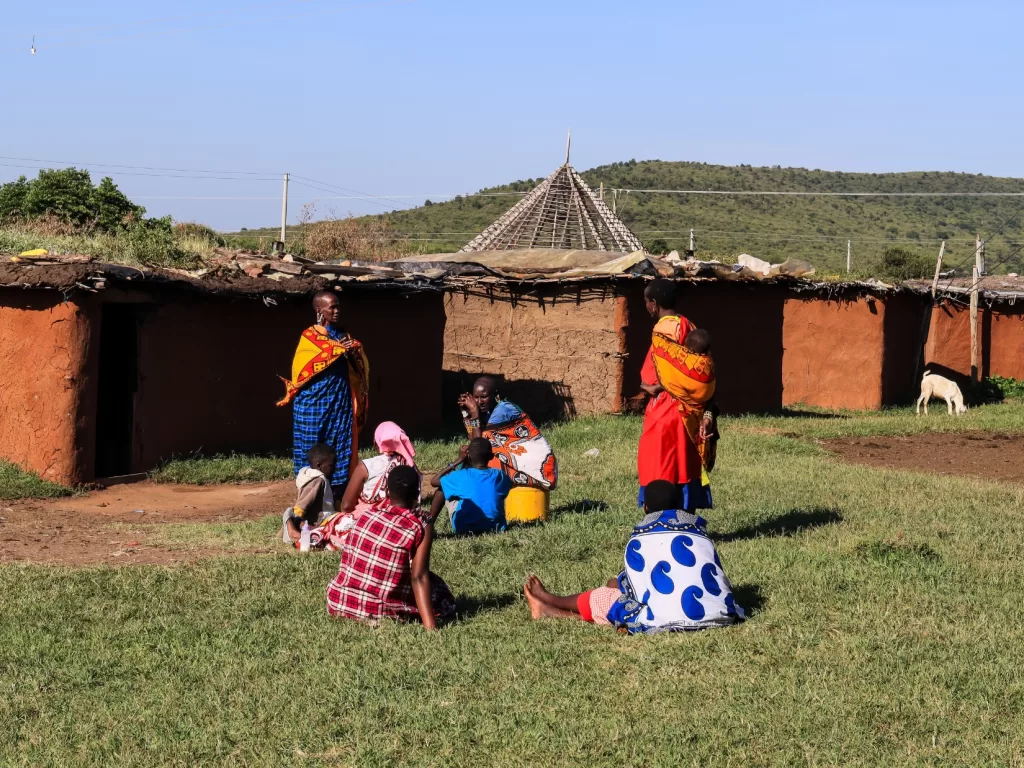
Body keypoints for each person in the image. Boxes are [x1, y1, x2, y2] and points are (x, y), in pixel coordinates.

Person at [523, 480, 744, 633]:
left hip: (667, 620)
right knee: (617, 587)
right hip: (721, 616)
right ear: (680, 506)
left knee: (606, 597)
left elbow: (636, 592)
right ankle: (550, 606)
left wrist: (617, 583)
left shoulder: (641, 539)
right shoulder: (700, 533)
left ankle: (555, 605)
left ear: (646, 507)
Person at [327, 465, 455, 629]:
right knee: (439, 593)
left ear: (387, 490)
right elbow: (419, 577)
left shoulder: (367, 515)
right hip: (376, 610)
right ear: (417, 493)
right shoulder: (421, 523)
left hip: (341, 601)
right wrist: (431, 627)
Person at [277, 290, 370, 500]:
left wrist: (352, 350)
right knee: (311, 447)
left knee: (339, 444)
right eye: (332, 307)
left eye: (338, 306)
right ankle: (309, 495)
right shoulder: (309, 336)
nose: (337, 311)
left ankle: (338, 494)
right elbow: (302, 369)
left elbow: (357, 362)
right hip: (313, 405)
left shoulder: (343, 335)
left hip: (339, 403)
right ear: (320, 310)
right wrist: (337, 349)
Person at [637, 279, 716, 511]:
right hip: (690, 412)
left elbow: (661, 377)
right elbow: (704, 370)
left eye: (646, 302)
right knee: (683, 466)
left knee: (659, 468)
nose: (646, 306)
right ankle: (686, 521)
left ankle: (659, 523)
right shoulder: (689, 326)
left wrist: (650, 388)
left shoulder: (662, 330)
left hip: (665, 413)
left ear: (653, 304)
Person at [457, 376, 557, 491]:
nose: (479, 402)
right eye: (476, 398)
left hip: (537, 465)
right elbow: (474, 442)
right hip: (519, 459)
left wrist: (474, 413)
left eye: (484, 397)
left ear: (496, 395)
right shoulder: (488, 412)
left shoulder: (503, 410)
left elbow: (478, 445)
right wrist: (466, 414)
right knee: (469, 460)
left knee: (479, 464)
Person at [429, 438, 512, 535]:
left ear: (468, 456)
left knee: (443, 487)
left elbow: (434, 481)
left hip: (465, 528)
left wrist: (458, 460)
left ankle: (429, 525)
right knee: (498, 490)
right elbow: (506, 488)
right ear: (491, 457)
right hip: (496, 528)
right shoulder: (499, 475)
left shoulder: (461, 475)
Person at [339, 420, 418, 518]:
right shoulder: (410, 467)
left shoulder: (366, 466)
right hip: (401, 521)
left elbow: (346, 506)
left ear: (376, 442)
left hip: (366, 523)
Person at [282, 442, 340, 545]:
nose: (334, 469)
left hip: (323, 519)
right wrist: (297, 519)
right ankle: (293, 527)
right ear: (319, 465)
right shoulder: (317, 480)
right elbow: (303, 503)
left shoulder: (321, 479)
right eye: (331, 465)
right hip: (318, 521)